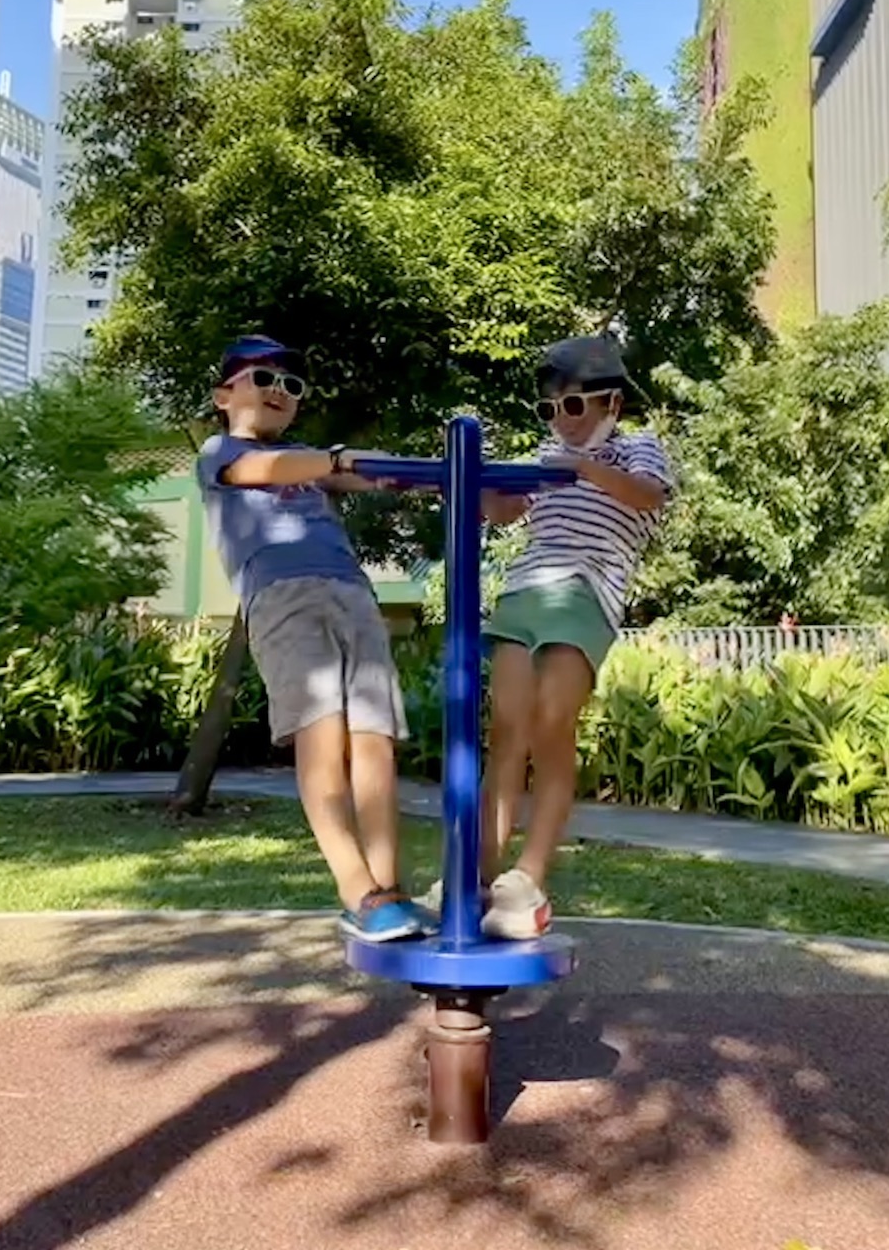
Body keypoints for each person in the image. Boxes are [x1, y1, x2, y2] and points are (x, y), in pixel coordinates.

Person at [196, 334, 435, 943]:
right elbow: (265, 470)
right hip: (283, 596)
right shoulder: (220, 451)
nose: (279, 391)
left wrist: (430, 476)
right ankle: (357, 889)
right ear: (224, 396)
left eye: (292, 385)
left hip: (352, 592)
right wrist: (338, 460)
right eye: (262, 379)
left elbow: (370, 473)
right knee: (321, 737)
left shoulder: (313, 461)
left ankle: (388, 890)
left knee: (375, 740)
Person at [476, 334, 675, 939]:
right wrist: (482, 480)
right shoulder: (547, 455)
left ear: (610, 403)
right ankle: (479, 877)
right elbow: (502, 512)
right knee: (506, 729)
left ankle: (529, 879)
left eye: (572, 406)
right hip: (525, 590)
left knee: (551, 724)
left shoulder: (637, 448)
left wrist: (584, 468)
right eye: (550, 409)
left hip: (586, 592)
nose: (560, 421)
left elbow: (649, 495)